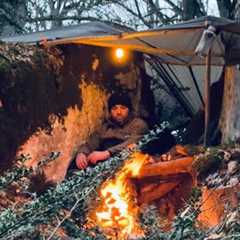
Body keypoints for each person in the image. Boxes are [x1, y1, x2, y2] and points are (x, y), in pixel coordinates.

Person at [75, 92, 149, 169]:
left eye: (123, 108)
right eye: (114, 108)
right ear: (110, 111)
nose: (119, 112)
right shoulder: (105, 128)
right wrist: (82, 153)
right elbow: (90, 143)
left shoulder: (138, 124)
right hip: (104, 167)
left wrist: (107, 153)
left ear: (129, 110)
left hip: (129, 165)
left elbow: (134, 142)